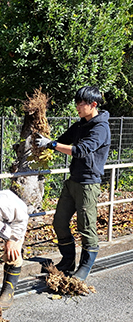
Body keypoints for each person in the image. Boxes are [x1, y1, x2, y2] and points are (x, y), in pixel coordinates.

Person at [36, 86, 111, 281]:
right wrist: (44, 140)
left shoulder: (101, 128)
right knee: (59, 222)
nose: (77, 106)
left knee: (86, 227)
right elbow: (61, 141)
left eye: (81, 103)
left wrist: (51, 145)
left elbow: (80, 150)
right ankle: (67, 260)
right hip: (72, 181)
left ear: (93, 105)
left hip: (88, 184)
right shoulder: (80, 125)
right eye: (76, 102)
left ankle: (85, 266)